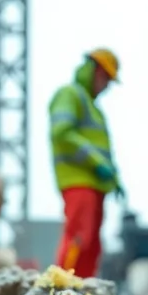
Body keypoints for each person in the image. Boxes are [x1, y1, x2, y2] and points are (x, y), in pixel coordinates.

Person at [48, 48, 125, 278]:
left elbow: (102, 150)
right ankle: (61, 291)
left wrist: (115, 179)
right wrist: (96, 164)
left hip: (96, 184)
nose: (106, 86)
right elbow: (62, 134)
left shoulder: (93, 108)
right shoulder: (69, 94)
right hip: (79, 180)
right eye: (105, 78)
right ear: (93, 70)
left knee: (91, 246)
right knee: (79, 238)